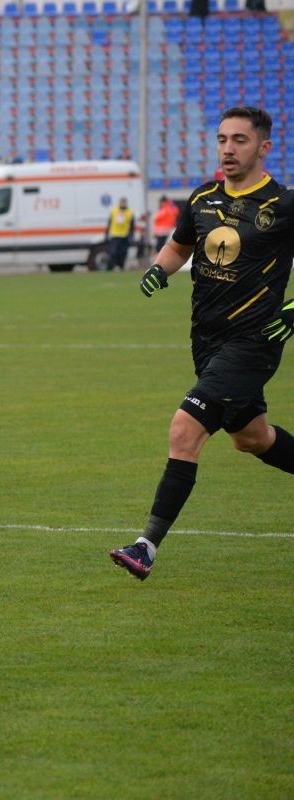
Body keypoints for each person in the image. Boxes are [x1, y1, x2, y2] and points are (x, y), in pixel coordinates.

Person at [112, 106, 294, 580]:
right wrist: (159, 267)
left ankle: (145, 545)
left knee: (184, 429)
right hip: (206, 341)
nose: (228, 149)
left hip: (253, 341)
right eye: (222, 140)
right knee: (252, 439)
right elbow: (180, 246)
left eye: (239, 140)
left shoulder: (285, 204)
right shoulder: (203, 198)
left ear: (264, 147)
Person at [105, 196, 134, 271]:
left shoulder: (129, 212)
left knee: (123, 253)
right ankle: (110, 267)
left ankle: (120, 266)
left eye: (124, 202)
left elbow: (132, 225)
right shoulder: (114, 210)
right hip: (115, 235)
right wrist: (106, 233)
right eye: (122, 202)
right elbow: (110, 222)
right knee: (113, 252)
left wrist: (131, 235)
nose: (123, 204)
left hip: (125, 235)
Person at [152, 194, 179, 258]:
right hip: (167, 231)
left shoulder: (164, 209)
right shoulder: (171, 208)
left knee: (160, 246)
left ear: (162, 202)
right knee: (164, 245)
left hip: (163, 231)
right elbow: (176, 212)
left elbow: (156, 218)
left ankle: (158, 259)